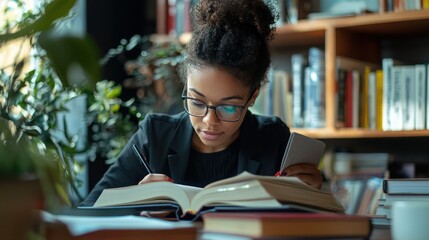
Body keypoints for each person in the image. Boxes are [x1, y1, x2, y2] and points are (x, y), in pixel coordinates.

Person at [80, 0, 322, 207]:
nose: (209, 121)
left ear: (253, 97)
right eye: (196, 102)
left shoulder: (273, 138)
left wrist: (312, 197)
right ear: (185, 86)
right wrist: (134, 202)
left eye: (228, 107)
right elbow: (89, 211)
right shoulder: (155, 137)